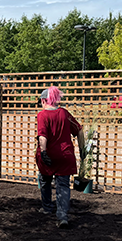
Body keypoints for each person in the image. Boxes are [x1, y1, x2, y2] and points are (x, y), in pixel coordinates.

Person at [35, 86, 82, 228]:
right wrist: (83, 150)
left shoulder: (42, 115)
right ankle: (62, 216)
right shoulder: (65, 113)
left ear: (44, 100)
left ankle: (47, 208)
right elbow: (79, 130)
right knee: (63, 186)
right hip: (65, 155)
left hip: (49, 155)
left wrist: (43, 152)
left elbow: (42, 135)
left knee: (44, 180)